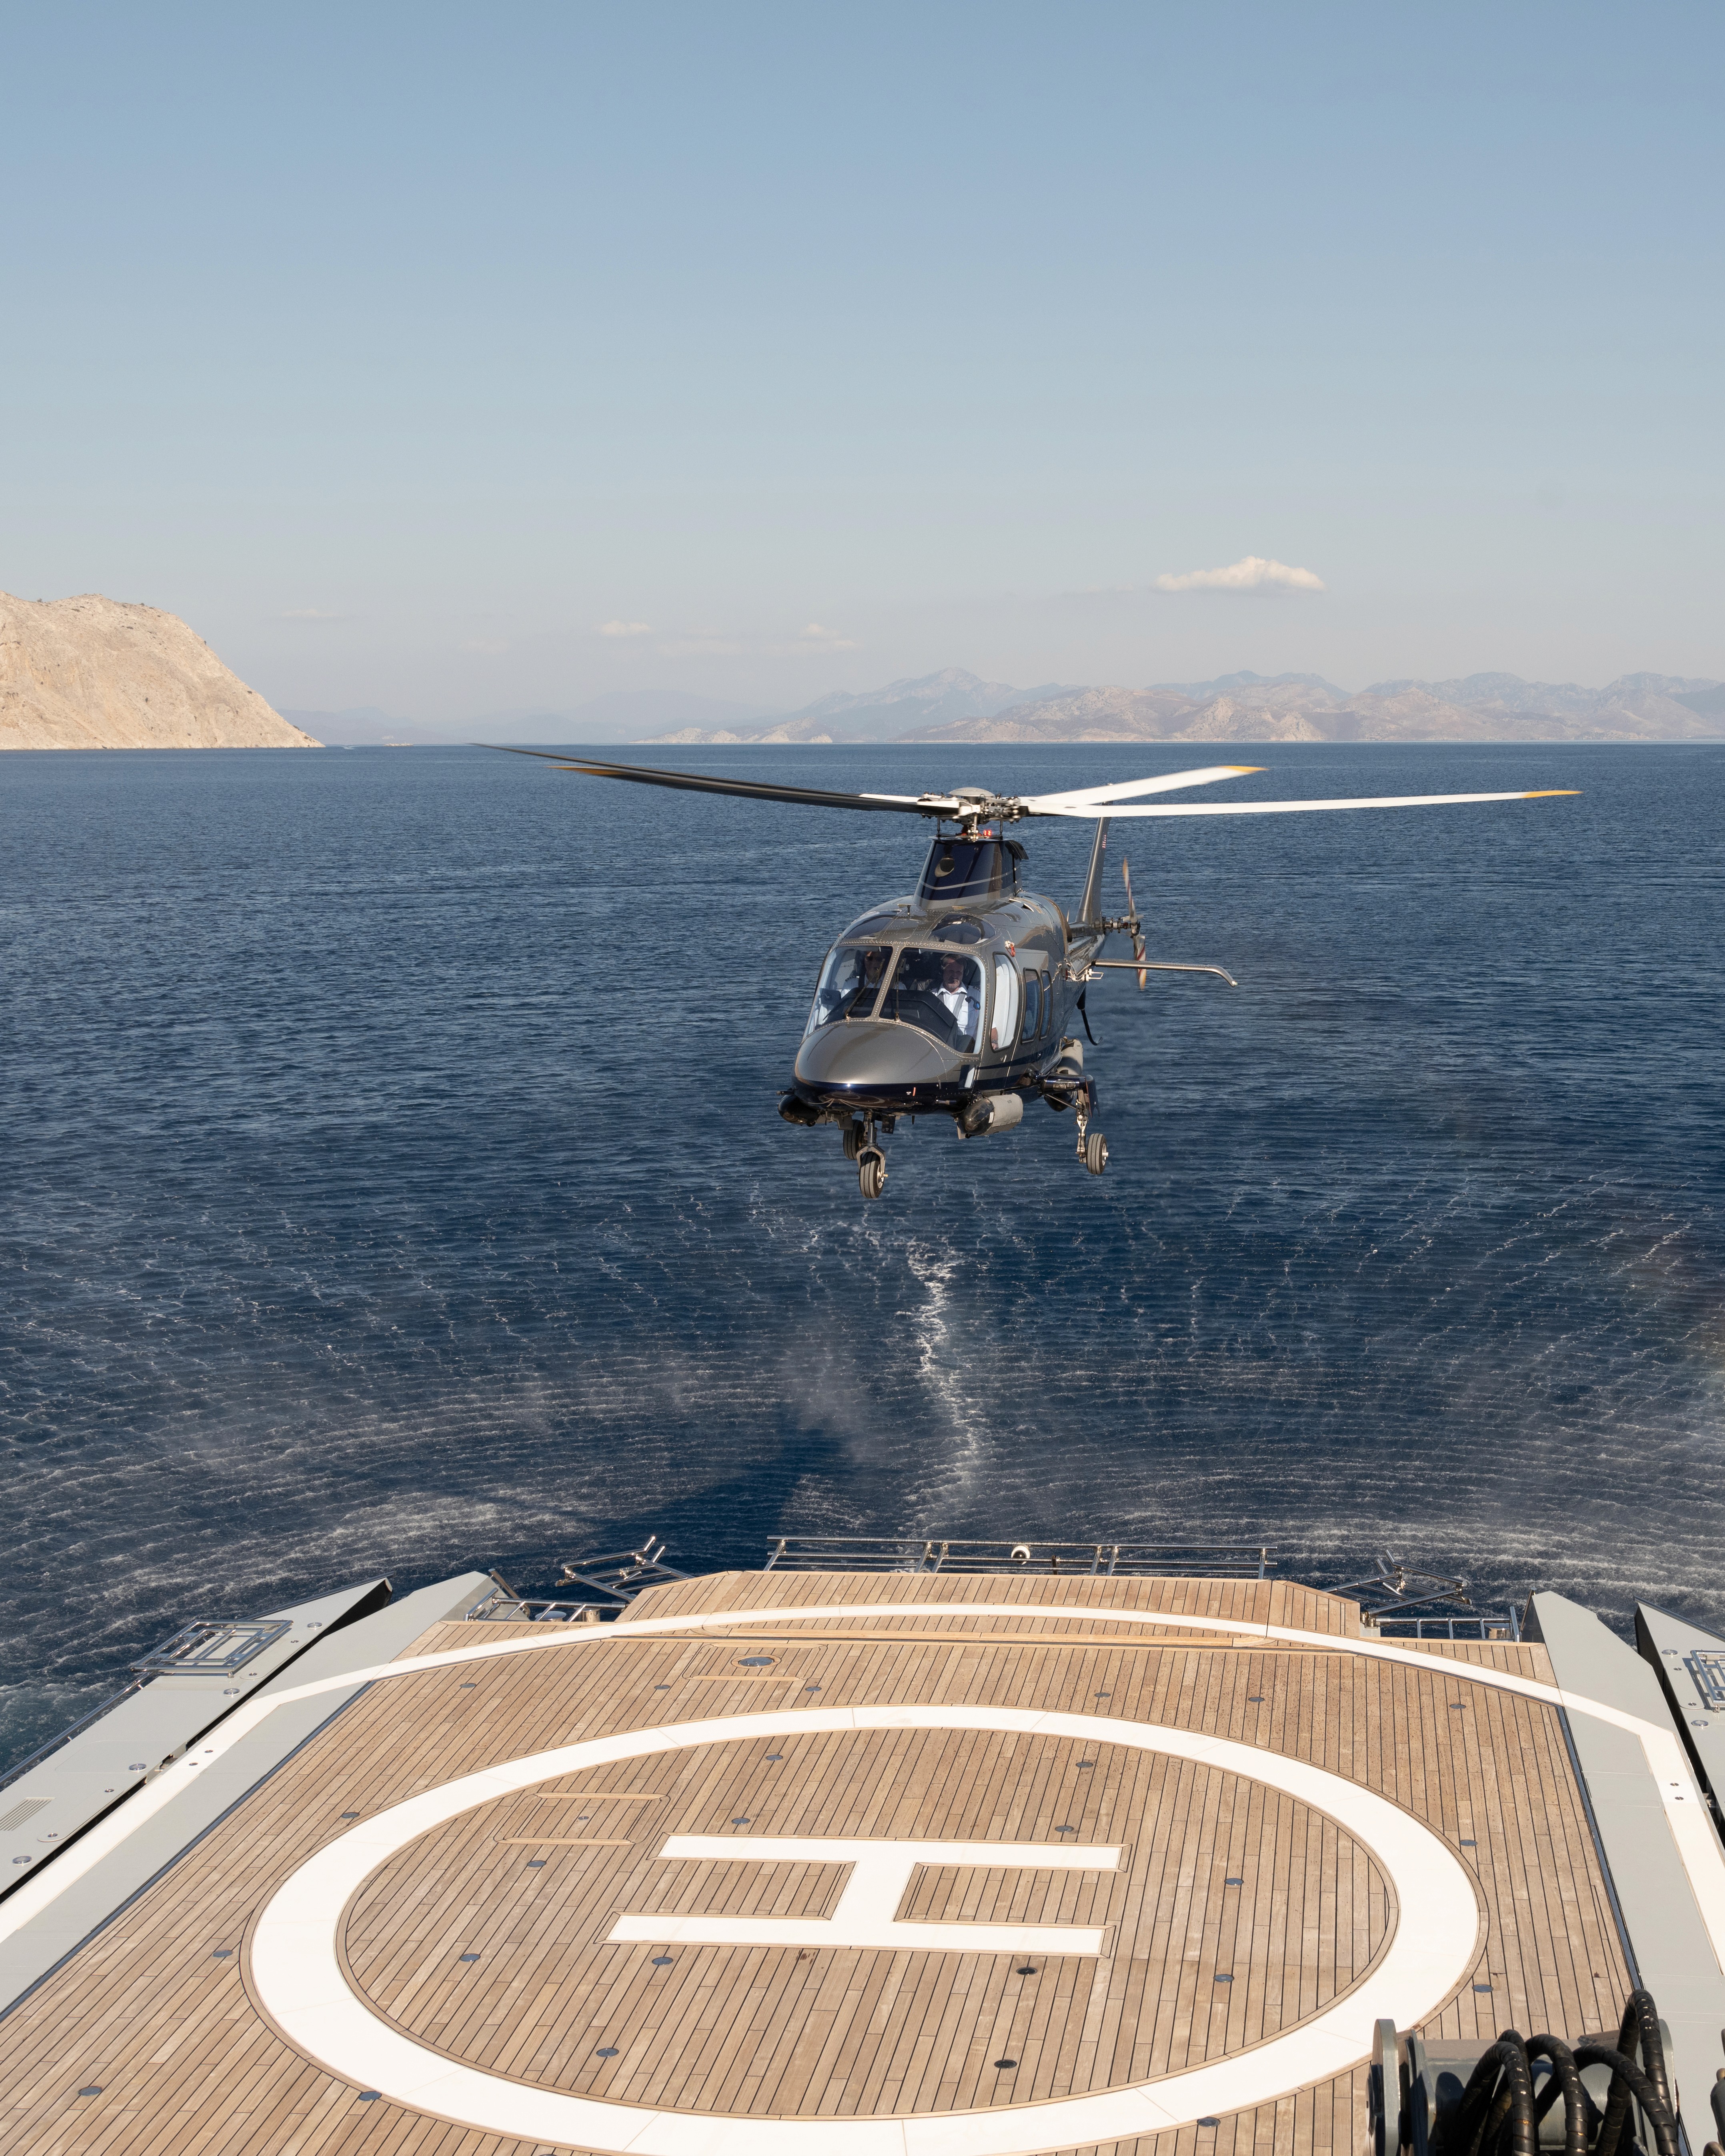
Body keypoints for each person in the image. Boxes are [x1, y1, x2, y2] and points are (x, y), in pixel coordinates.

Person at [934, 953, 981, 1046]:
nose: (955, 976)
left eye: (959, 972)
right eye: (951, 971)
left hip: (965, 1051)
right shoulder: (932, 996)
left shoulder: (976, 995)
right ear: (942, 971)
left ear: (964, 973)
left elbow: (990, 1027)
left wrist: (994, 1042)